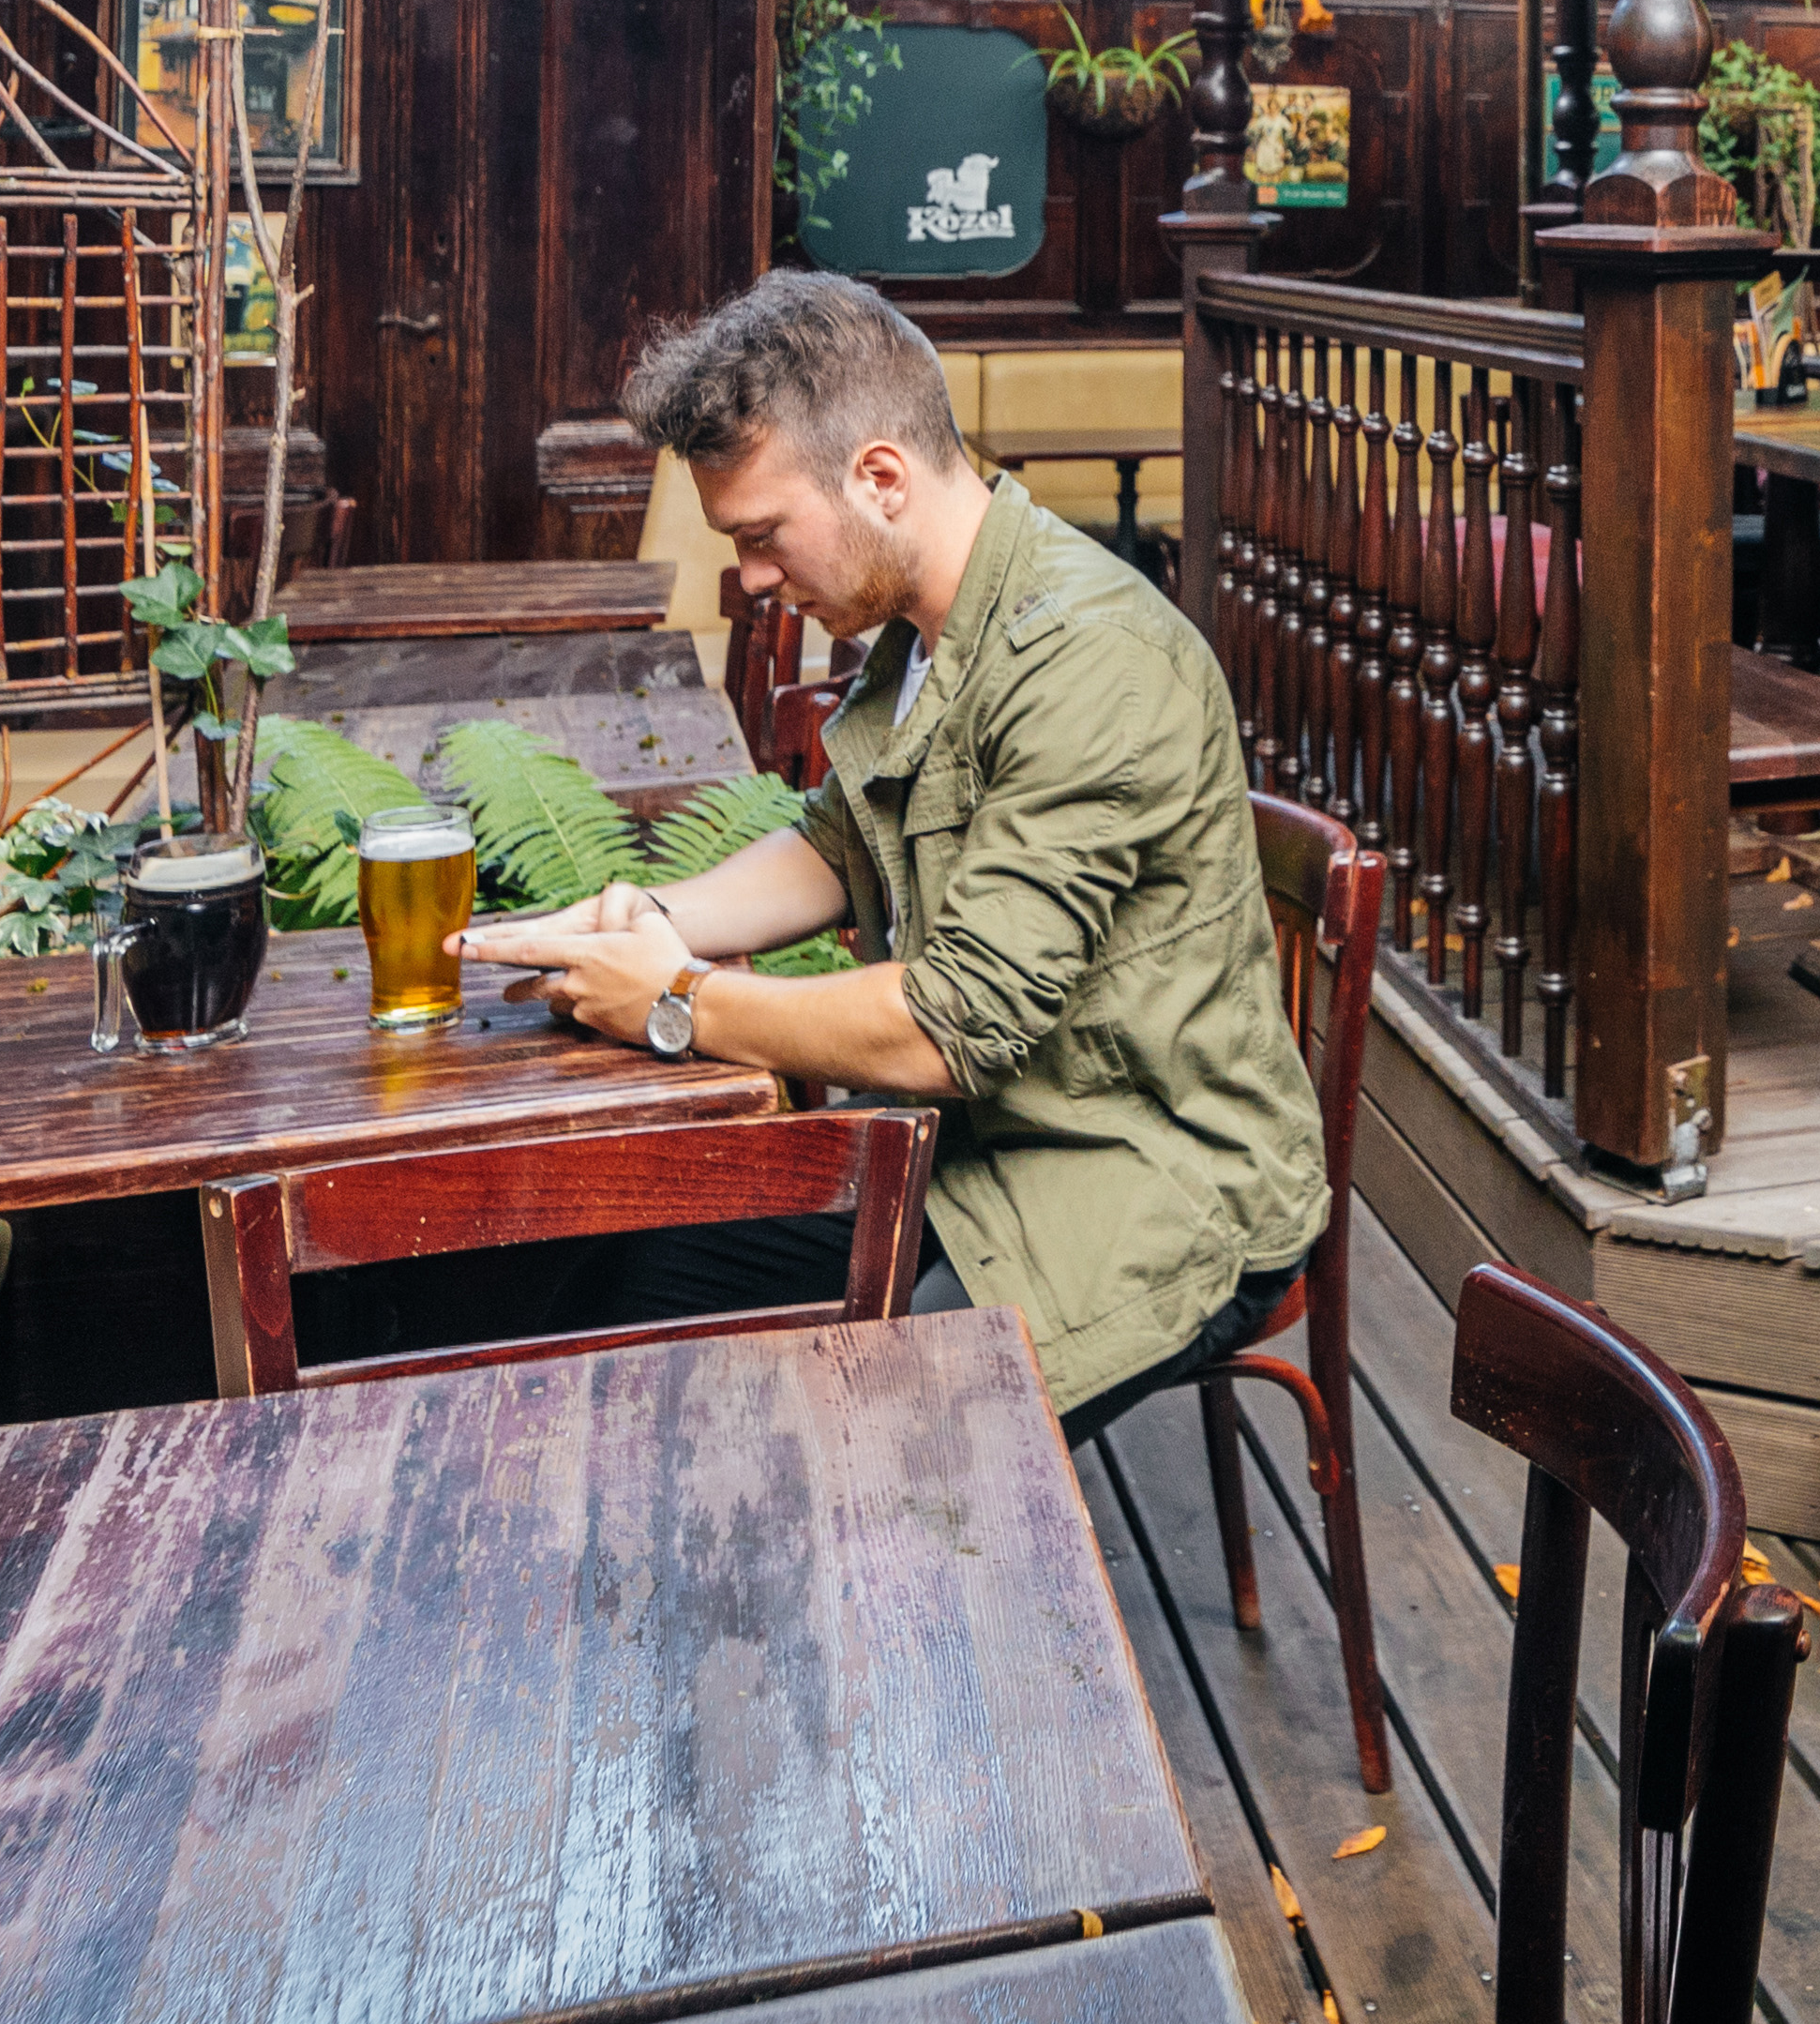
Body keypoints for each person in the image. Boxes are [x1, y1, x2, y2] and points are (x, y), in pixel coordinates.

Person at [454, 271, 1329, 1438]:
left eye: (763, 535)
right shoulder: (929, 626)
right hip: (976, 1147)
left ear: (878, 477)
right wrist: (643, 909)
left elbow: (946, 1024)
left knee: (864, 1436)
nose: (753, 577)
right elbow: (831, 845)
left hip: (1151, 1179)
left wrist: (674, 998)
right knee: (633, 1277)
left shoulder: (1092, 658)